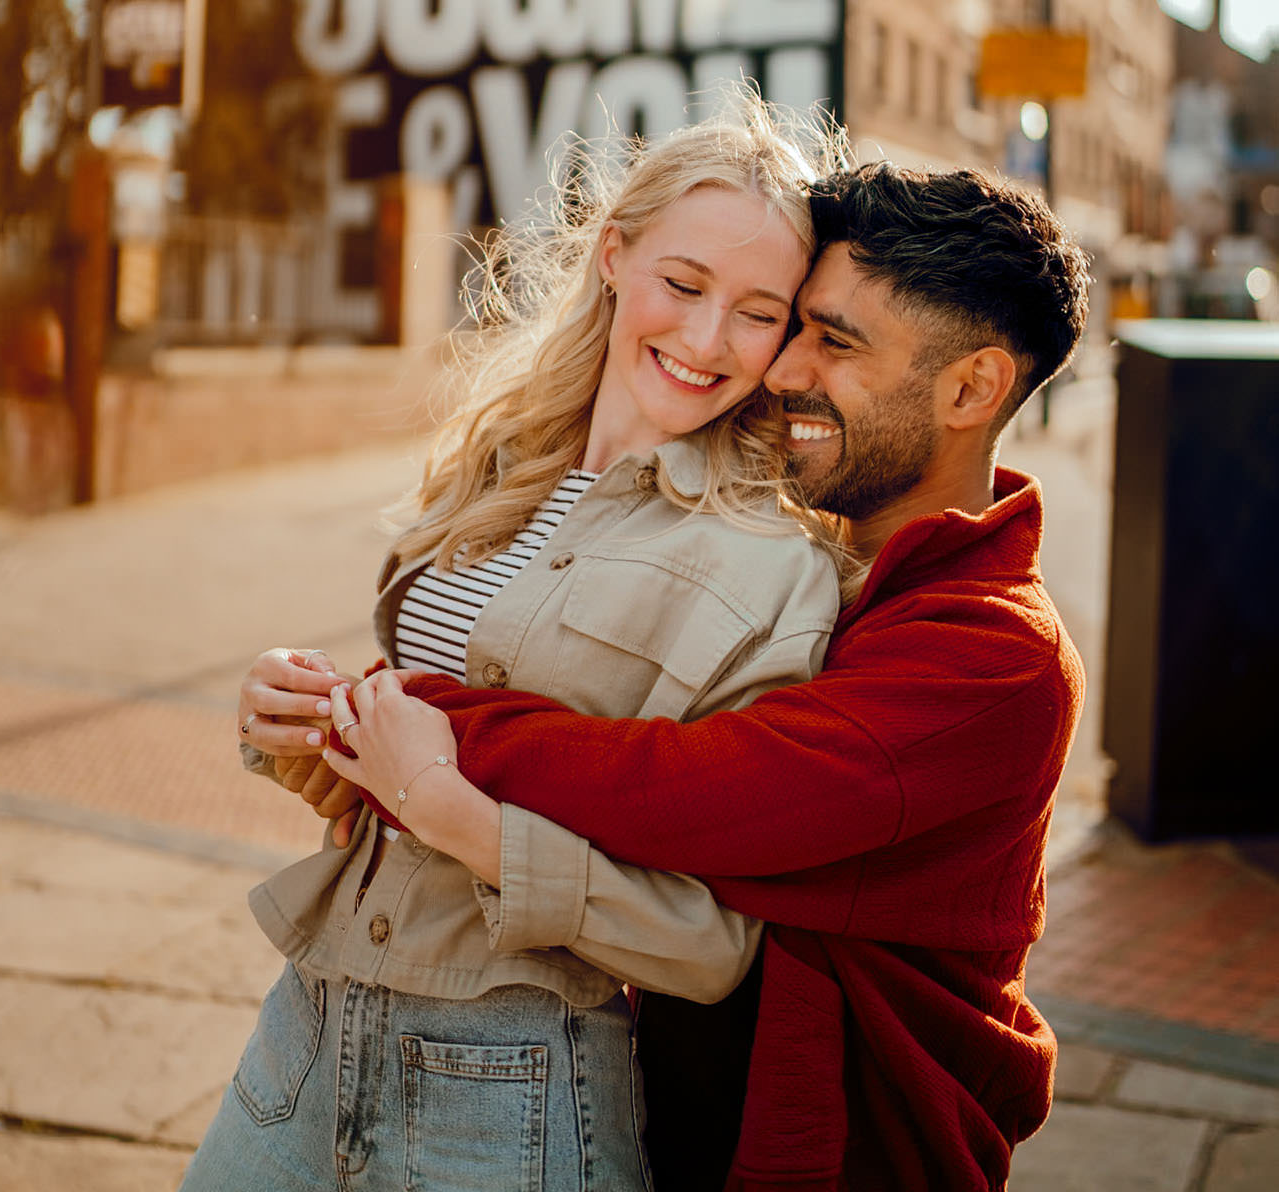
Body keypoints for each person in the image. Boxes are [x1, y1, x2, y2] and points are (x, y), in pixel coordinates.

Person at [313, 161, 1092, 1192]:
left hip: (848, 1155)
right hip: (687, 1121)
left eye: (835, 339)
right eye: (797, 324)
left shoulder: (996, 655)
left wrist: (406, 714)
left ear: (970, 388)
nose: (781, 369)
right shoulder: (837, 567)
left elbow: (686, 789)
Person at [183, 102, 850, 1192]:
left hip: (515, 1086)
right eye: (682, 285)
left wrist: (462, 817)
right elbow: (397, 772)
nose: (703, 338)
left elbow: (710, 942)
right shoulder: (502, 462)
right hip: (304, 1027)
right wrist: (298, 724)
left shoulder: (770, 568)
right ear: (613, 254)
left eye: (756, 312)